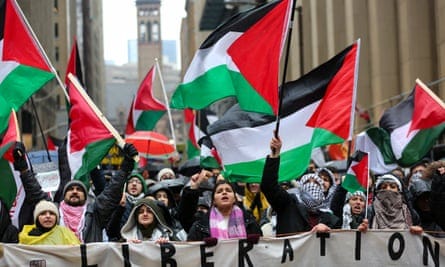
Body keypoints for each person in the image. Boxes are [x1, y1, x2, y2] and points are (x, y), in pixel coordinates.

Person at [13, 141, 138, 243]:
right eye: (70, 189)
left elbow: (111, 193)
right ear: (64, 194)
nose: (74, 191)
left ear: (85, 196)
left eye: (79, 189)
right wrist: (23, 169)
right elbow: (35, 193)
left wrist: (125, 167)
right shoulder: (53, 211)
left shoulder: (94, 214)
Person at [260, 135, 340, 236]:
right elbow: (268, 186)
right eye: (307, 183)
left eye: (316, 183)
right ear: (301, 188)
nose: (312, 185)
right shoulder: (288, 204)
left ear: (323, 191)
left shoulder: (330, 219)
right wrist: (274, 156)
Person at [187, 180, 262, 241]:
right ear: (214, 201)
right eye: (219, 191)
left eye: (228, 190)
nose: (224, 192)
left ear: (234, 199)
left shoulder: (249, 222)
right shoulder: (201, 225)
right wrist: (193, 188)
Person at [106, 172, 148, 241]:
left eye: (138, 182)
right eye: (131, 182)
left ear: (143, 187)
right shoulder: (118, 202)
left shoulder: (147, 204)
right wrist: (120, 208)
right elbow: (111, 231)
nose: (134, 184)